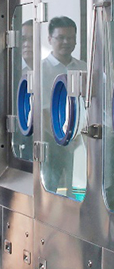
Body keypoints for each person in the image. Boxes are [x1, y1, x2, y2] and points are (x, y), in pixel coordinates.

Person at [40, 16, 86, 197]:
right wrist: (63, 139)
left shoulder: (83, 68)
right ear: (50, 39)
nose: (66, 42)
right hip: (52, 144)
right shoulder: (41, 70)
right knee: (51, 191)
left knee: (76, 190)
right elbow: (43, 111)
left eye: (71, 38)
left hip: (81, 142)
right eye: (61, 37)